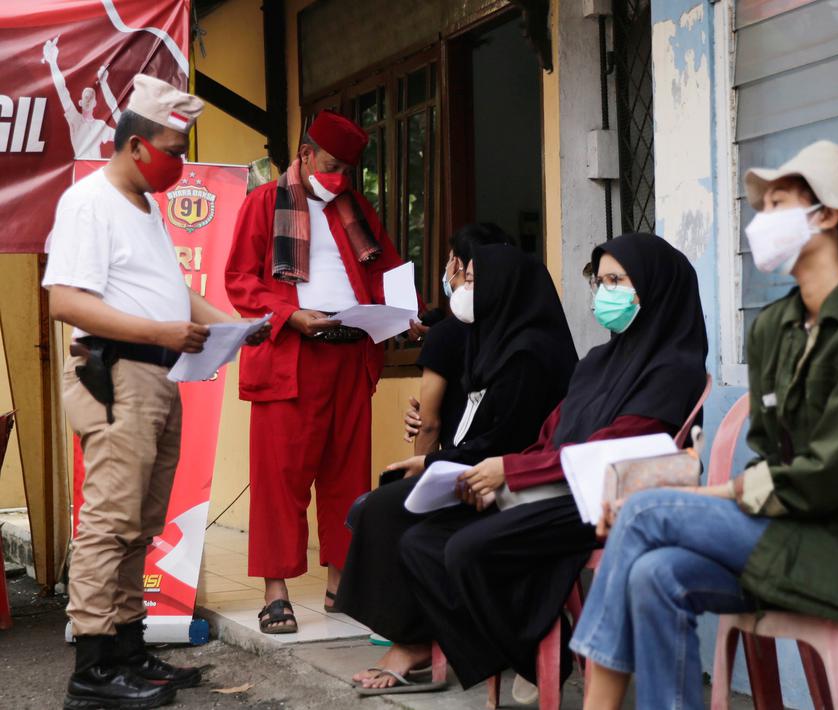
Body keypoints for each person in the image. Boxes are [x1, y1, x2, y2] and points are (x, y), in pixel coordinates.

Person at [569, 142, 838, 710]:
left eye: (777, 204)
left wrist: (706, 496)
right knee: (654, 574)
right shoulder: (775, 327)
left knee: (647, 511)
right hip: (797, 536)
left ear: (825, 215)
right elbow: (772, 454)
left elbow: (829, 474)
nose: (761, 220)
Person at [395, 232, 708, 694]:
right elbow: (550, 437)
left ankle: (536, 654)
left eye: (617, 280)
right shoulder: (599, 361)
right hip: (552, 486)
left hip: (605, 500)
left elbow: (624, 444)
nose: (604, 293)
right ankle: (517, 648)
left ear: (654, 286)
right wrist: (496, 478)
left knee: (467, 549)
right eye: (600, 282)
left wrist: (512, 473)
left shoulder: (673, 366)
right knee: (421, 541)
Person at [45, 75, 269, 709]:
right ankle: (92, 667)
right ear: (137, 146)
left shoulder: (144, 208)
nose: (178, 162)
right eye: (172, 149)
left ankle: (127, 648)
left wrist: (236, 328)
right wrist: (164, 330)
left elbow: (173, 291)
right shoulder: (90, 201)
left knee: (141, 522)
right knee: (109, 523)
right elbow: (66, 301)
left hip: (156, 374)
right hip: (114, 373)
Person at [336, 244, 577, 694]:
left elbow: (509, 439)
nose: (463, 288)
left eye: (472, 280)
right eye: (464, 278)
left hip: (513, 483)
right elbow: (475, 425)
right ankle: (413, 636)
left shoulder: (531, 352)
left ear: (504, 288)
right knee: (387, 501)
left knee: (393, 507)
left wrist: (434, 461)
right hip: (475, 470)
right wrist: (434, 456)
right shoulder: (494, 340)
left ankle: (416, 643)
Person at [225, 109, 423, 634]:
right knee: (280, 479)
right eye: (331, 164)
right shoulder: (264, 203)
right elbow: (239, 279)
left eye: (347, 170)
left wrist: (408, 313)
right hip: (290, 356)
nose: (339, 177)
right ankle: (275, 593)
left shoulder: (353, 207)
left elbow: (386, 270)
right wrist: (290, 315)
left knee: (346, 474)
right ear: (306, 154)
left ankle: (342, 584)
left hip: (348, 355)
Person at [393, 223, 516, 464]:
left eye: (449, 259)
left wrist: (418, 481)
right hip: (510, 466)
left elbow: (429, 424)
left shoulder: (445, 334)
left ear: (458, 265)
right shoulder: (519, 325)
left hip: (460, 466)